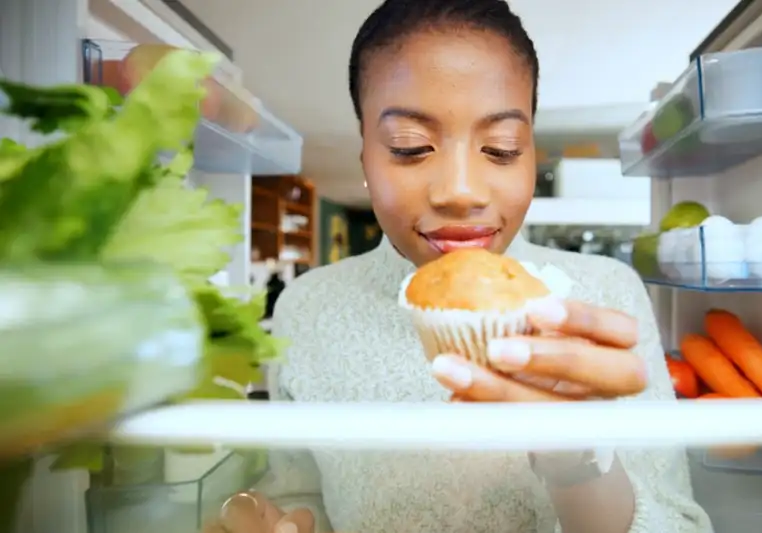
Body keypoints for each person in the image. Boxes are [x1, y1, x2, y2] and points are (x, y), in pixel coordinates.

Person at [208, 0, 712, 532]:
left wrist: (580, 461)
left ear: (531, 155)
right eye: (410, 147)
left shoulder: (604, 294)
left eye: (501, 148)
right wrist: (267, 518)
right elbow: (302, 493)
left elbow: (682, 524)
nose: (460, 192)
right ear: (365, 159)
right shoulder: (308, 307)